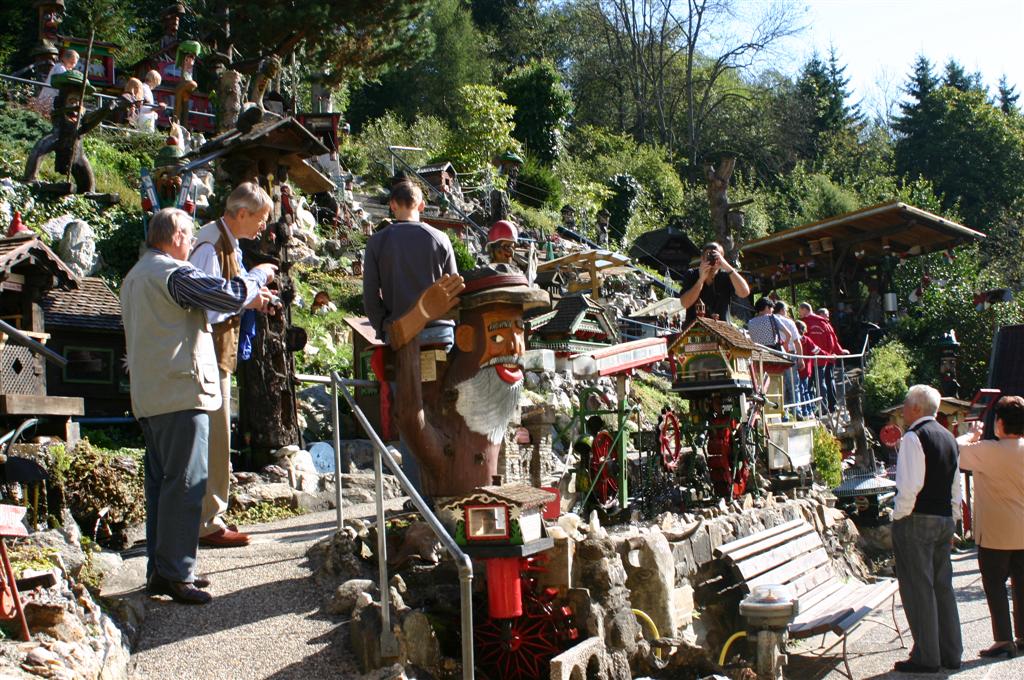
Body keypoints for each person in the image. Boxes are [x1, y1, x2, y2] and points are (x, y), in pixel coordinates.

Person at [121, 208, 275, 604]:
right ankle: (177, 574)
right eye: (188, 236)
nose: (192, 244)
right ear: (174, 237)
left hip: (151, 395)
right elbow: (225, 295)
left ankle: (162, 570)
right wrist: (257, 276)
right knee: (187, 483)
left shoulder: (135, 276)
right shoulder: (174, 273)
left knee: (162, 486)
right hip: (182, 391)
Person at [189, 183, 274, 548]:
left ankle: (211, 515)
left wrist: (254, 300)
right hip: (207, 351)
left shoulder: (226, 243)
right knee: (216, 437)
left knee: (219, 435)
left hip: (218, 352)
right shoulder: (210, 245)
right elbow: (206, 305)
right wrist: (249, 296)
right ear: (241, 213)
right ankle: (207, 521)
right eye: (260, 218)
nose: (263, 227)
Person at [362, 178, 459, 494]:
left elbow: (369, 296)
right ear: (421, 205)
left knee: (408, 412)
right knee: (442, 407)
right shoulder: (440, 238)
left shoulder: (377, 242)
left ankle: (418, 494)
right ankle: (448, 487)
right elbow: (454, 292)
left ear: (392, 204)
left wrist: (383, 329)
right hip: (439, 334)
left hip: (402, 337)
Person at [891, 384, 963, 673]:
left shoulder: (913, 437)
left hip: (917, 519)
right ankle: (951, 652)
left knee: (918, 588)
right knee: (942, 587)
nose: (903, 409)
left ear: (917, 409)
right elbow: (955, 486)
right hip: (944, 518)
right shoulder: (948, 437)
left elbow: (909, 487)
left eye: (906, 404)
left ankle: (926, 655)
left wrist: (898, 517)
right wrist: (954, 517)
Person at [956, 396, 1024, 659]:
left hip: (995, 530)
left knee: (995, 585)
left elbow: (954, 450)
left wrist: (970, 437)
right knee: (1022, 584)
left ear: (1000, 422)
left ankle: (1004, 639)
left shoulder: (987, 450)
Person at [679, 242, 750, 324]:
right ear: (702, 258)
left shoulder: (727, 276)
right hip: (696, 329)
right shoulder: (692, 274)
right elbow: (685, 303)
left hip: (721, 330)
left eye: (716, 255)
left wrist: (727, 266)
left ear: (722, 258)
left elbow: (744, 292)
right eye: (709, 255)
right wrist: (701, 280)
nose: (712, 258)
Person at [798, 302, 847, 412]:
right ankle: (825, 408)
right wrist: (834, 354)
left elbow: (804, 343)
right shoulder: (825, 324)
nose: (799, 314)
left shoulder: (804, 324)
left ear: (805, 310)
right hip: (824, 359)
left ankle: (811, 409)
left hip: (809, 360)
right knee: (823, 384)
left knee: (808, 386)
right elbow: (833, 340)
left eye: (800, 311)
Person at [773, 301, 802, 418]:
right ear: (781, 310)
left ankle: (782, 413)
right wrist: (801, 358)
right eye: (785, 310)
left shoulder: (769, 320)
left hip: (775, 353)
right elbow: (797, 341)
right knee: (793, 383)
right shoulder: (788, 322)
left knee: (780, 384)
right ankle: (797, 411)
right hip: (790, 353)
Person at [35, 49, 78, 115]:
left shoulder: (63, 68)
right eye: (71, 63)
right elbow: (65, 81)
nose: (73, 66)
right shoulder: (59, 68)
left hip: (51, 101)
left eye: (74, 63)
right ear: (64, 59)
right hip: (49, 101)